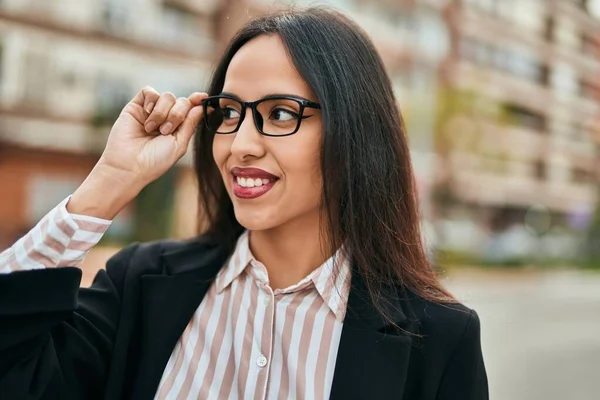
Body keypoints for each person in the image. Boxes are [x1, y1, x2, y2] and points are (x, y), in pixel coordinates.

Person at [0, 7, 488, 400]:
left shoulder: (437, 338)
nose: (240, 143)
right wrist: (109, 182)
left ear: (353, 132)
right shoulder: (141, 287)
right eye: (229, 112)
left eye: (279, 113)